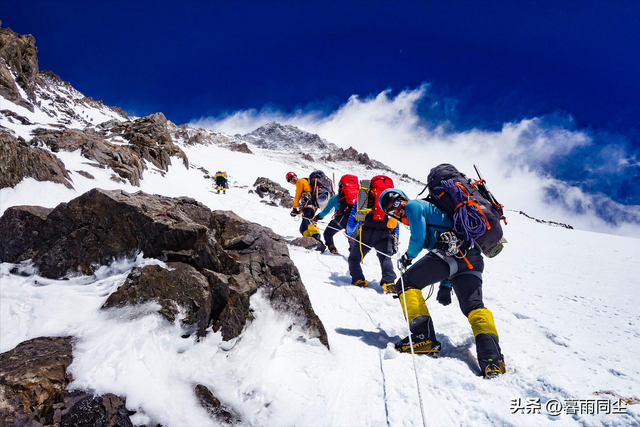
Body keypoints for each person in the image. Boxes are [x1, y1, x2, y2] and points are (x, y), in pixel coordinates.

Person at [379, 188, 506, 378]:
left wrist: (408, 257)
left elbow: (419, 238)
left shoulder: (413, 206)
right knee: (474, 307)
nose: (397, 210)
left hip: (451, 254)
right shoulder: (430, 210)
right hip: (471, 258)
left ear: (403, 198)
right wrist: (445, 286)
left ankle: (422, 337)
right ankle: (492, 359)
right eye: (391, 211)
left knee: (406, 284)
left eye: (397, 203)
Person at [345, 175, 398, 292]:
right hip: (385, 233)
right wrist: (396, 236)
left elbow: (353, 216)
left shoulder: (364, 196)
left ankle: (358, 279)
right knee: (385, 258)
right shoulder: (392, 198)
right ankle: (389, 283)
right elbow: (396, 219)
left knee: (354, 258)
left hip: (366, 232)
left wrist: (349, 233)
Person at [312, 174, 358, 255]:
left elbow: (326, 211)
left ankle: (332, 249)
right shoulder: (359, 197)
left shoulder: (337, 197)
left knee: (328, 233)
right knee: (352, 238)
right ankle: (355, 256)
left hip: (340, 219)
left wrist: (317, 217)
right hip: (355, 220)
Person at [285, 171, 323, 243]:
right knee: (303, 228)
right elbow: (307, 208)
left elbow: (297, 196)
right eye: (290, 180)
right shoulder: (305, 182)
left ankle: (317, 241)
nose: (292, 180)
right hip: (310, 205)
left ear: (296, 176)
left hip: (310, 204)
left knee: (309, 222)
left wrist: (294, 208)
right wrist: (298, 212)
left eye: (292, 177)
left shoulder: (300, 181)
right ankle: (310, 241)